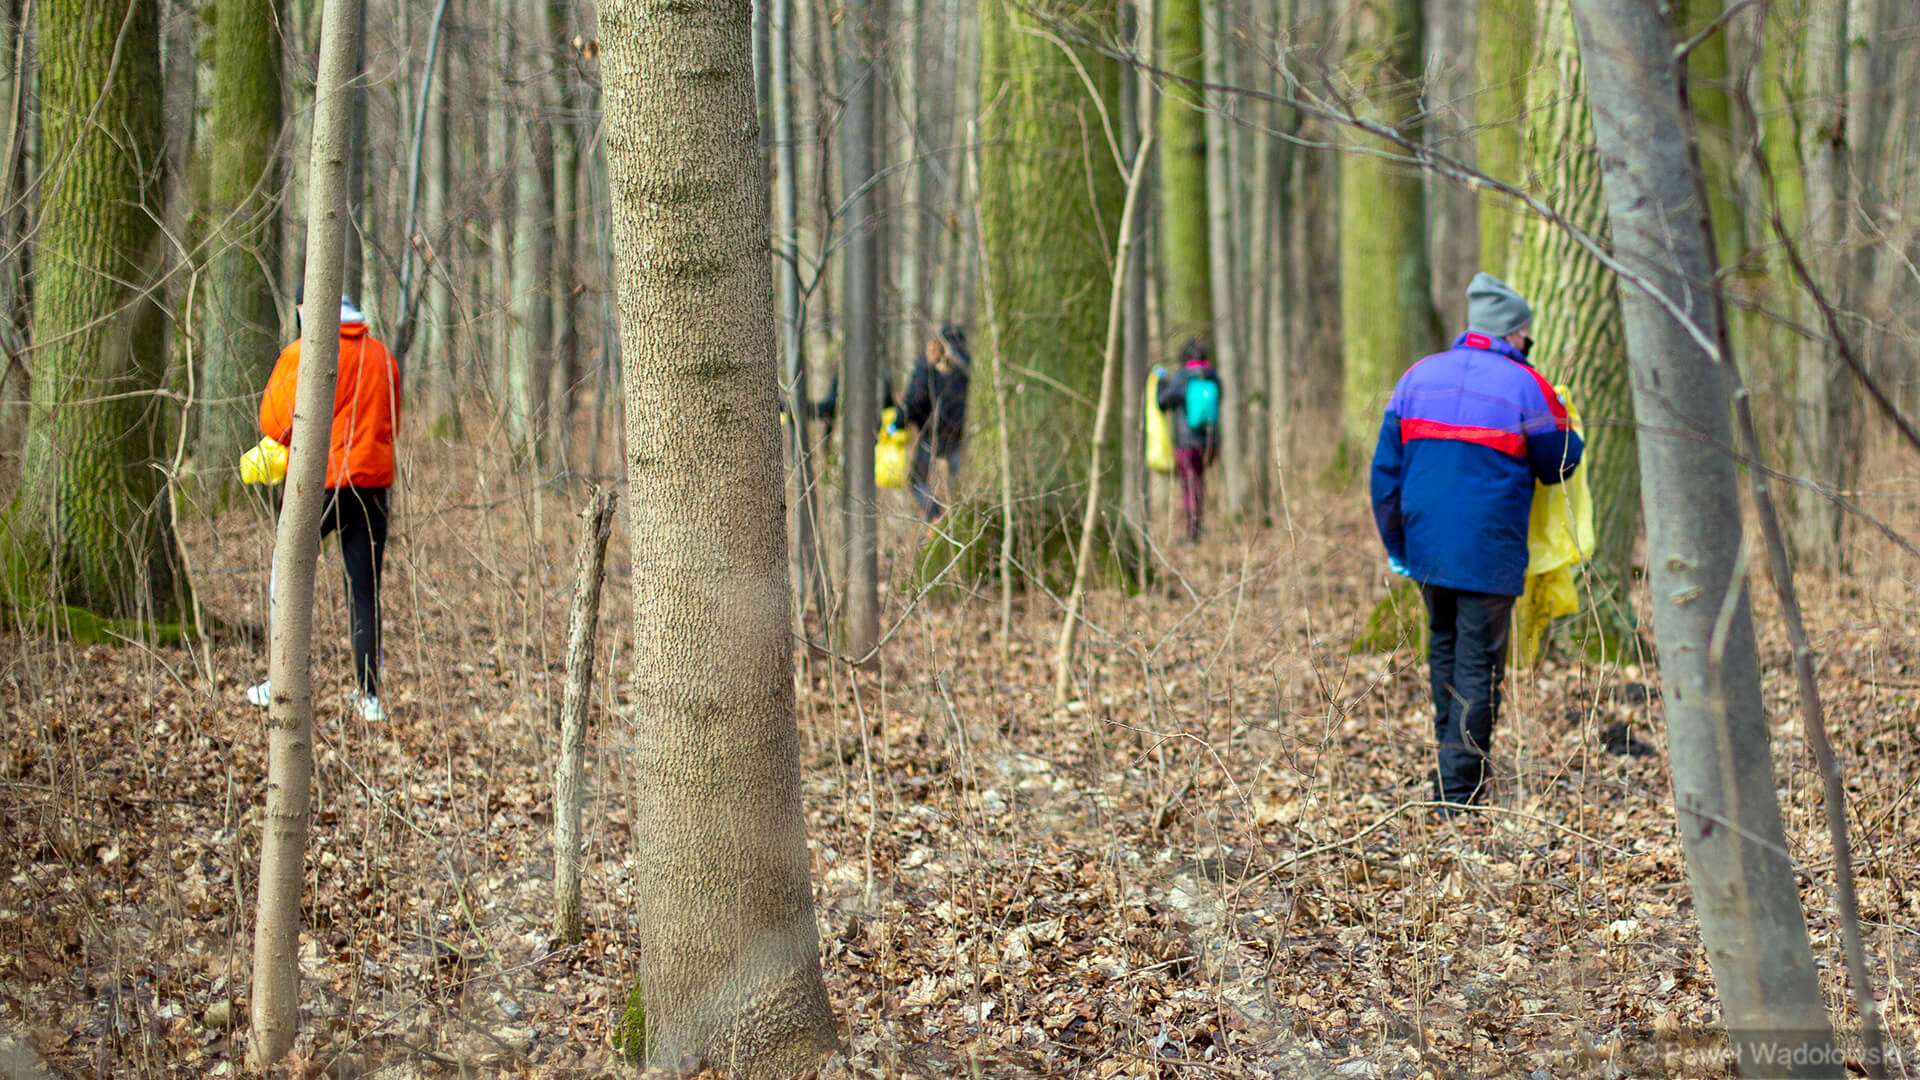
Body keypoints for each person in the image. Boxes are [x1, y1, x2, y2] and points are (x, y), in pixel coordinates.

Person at [1369, 272, 1584, 812]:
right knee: (1479, 666)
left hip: (1425, 545)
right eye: (1527, 336)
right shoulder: (1526, 386)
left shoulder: (1416, 378)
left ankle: (1451, 769)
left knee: (1443, 649)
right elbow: (1558, 463)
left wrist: (1397, 544)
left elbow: (1385, 474)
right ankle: (1459, 795)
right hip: (1489, 548)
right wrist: (1569, 425)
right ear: (1515, 334)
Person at [246, 291, 402, 723]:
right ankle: (369, 697)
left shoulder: (302, 354)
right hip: (373, 484)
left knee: (288, 568)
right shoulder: (383, 357)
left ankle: (282, 682)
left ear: (304, 310)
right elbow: (394, 419)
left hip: (323, 481)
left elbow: (274, 422)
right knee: (364, 589)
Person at [898, 323, 971, 520]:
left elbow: (915, 397)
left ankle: (935, 515)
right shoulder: (967, 363)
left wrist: (897, 424)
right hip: (958, 434)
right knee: (954, 484)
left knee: (916, 480)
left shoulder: (927, 363)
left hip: (932, 433)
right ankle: (951, 517)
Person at [1155, 338, 1220, 542]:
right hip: (1210, 441)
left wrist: (1160, 383)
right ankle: (1197, 527)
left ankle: (1193, 533)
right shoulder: (1213, 376)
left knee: (1189, 484)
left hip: (1187, 441)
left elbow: (1163, 402)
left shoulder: (1183, 377)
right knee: (1198, 482)